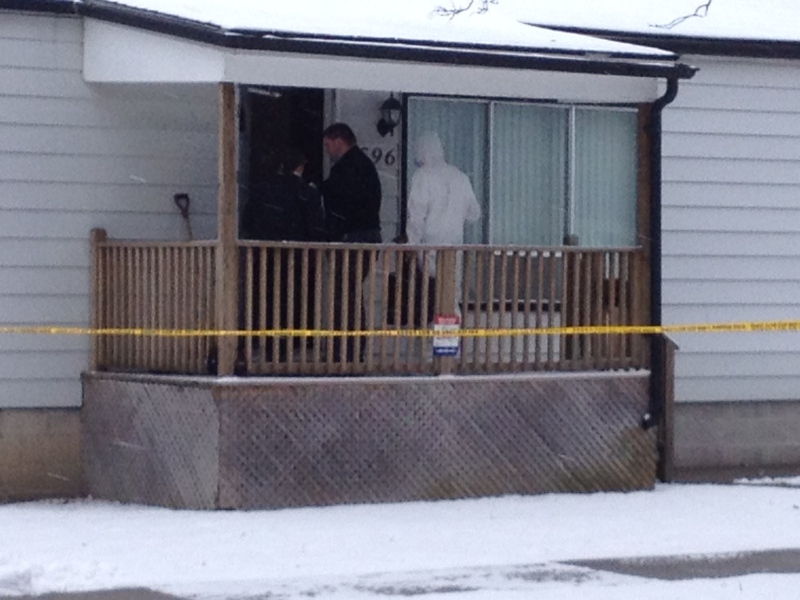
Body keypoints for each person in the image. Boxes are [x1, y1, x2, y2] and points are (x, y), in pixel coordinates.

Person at [241, 147, 326, 361]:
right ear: (300, 167)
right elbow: (315, 227)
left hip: (265, 255)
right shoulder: (307, 193)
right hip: (297, 257)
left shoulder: (262, 190)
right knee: (296, 300)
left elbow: (247, 221)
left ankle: (269, 344)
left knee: (267, 298)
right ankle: (293, 345)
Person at [403, 131, 481, 318]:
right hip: (455, 246)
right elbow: (474, 214)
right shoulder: (460, 177)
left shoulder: (422, 176)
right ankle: (450, 341)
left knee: (428, 295)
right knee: (451, 295)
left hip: (429, 246)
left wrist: (410, 244)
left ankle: (429, 340)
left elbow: (416, 216)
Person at [321, 123, 382, 362]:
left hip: (354, 240)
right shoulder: (362, 166)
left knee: (344, 296)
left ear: (339, 141)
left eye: (328, 144)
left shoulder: (349, 169)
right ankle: (351, 350)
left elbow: (340, 203)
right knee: (349, 293)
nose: (327, 150)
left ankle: (346, 352)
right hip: (365, 237)